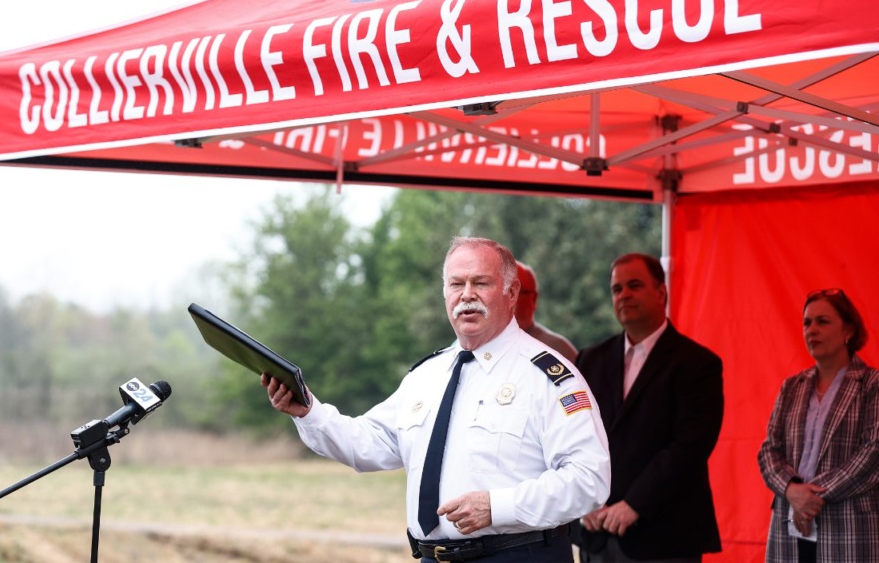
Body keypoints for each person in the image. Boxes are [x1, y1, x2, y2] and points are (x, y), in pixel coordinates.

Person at [262, 236, 611, 562]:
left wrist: (498, 506)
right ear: (444, 293)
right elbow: (368, 444)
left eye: (481, 283)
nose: (467, 295)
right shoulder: (426, 376)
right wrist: (308, 411)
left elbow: (589, 479)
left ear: (511, 291)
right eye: (457, 284)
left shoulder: (547, 377)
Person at [573, 252, 724, 562]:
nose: (624, 295)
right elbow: (573, 436)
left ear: (660, 292)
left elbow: (690, 447)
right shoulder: (589, 359)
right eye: (617, 289)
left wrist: (635, 505)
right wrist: (582, 501)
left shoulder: (698, 364)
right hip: (596, 532)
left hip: (665, 536)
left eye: (634, 285)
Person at [757, 288, 879, 563]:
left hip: (848, 529)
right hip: (788, 531)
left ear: (848, 329)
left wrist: (809, 499)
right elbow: (768, 452)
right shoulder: (791, 387)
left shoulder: (872, 384)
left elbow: (872, 454)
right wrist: (792, 490)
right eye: (807, 322)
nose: (812, 329)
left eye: (822, 321)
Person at [515, 261, 578, 362]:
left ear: (533, 299)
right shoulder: (484, 345)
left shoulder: (558, 349)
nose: (508, 299)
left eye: (516, 292)